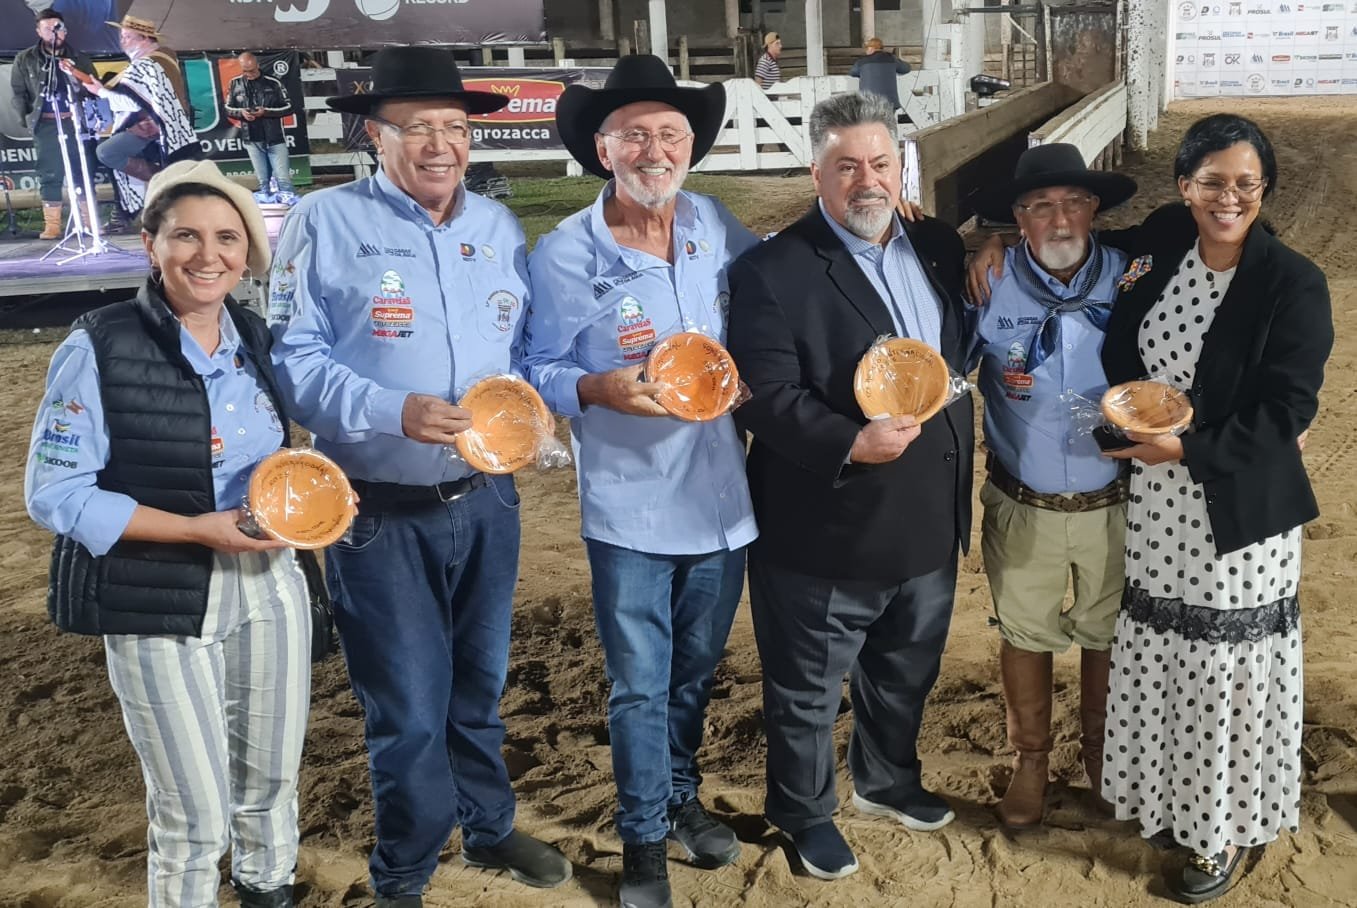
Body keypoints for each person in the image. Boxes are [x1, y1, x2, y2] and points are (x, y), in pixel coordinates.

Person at [970, 115, 1331, 904]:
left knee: (1222, 671)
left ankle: (1222, 828)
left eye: (1243, 182)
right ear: (1183, 188)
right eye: (1209, 182)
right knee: (1157, 659)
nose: (1225, 197)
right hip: (1156, 512)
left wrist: (1192, 451)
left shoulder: (1291, 281)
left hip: (1223, 505)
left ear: (1264, 188)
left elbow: (1288, 407)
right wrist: (987, 244)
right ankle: (1156, 797)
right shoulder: (1159, 251)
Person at [267, 46, 571, 906]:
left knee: (479, 685)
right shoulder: (323, 222)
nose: (441, 143)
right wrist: (385, 410)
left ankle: (487, 825)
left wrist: (540, 410)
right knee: (404, 706)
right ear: (375, 134)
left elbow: (523, 356)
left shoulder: (497, 230)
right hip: (377, 510)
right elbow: (290, 358)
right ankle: (402, 871)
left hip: (487, 499)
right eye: (418, 127)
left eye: (455, 126)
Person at [24, 159, 312, 908]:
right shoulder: (98, 345)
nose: (207, 255)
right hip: (158, 598)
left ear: (248, 253)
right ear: (150, 244)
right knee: (194, 816)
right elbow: (55, 494)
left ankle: (268, 890)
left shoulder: (256, 338)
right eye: (185, 235)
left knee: (271, 785)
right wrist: (194, 529)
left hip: (269, 586)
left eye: (226, 238)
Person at [523, 54, 756, 908]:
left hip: (722, 497)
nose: (653, 149)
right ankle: (643, 842)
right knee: (638, 686)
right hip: (629, 503)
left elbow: (780, 293)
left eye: (669, 133)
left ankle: (680, 797)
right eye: (633, 135)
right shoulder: (563, 255)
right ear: (602, 146)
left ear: (689, 145)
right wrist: (593, 388)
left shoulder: (714, 225)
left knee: (694, 673)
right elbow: (534, 365)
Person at [724, 92, 973, 881]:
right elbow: (764, 394)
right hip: (824, 523)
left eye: (879, 163)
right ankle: (802, 813)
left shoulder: (934, 243)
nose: (866, 181)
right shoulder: (771, 269)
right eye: (846, 167)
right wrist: (849, 441)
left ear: (900, 166)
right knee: (805, 689)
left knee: (905, 667)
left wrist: (996, 237)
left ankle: (886, 779)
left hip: (927, 514)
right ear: (817, 173)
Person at [966, 143, 1136, 829]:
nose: (1058, 220)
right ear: (1017, 218)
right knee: (1024, 632)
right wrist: (977, 243)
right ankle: (1030, 761)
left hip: (1115, 502)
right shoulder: (983, 281)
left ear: (1094, 210)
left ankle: (1102, 757)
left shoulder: (1130, 277)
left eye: (1071, 203)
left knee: (1108, 634)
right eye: (1039, 207)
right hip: (1023, 502)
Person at [62, 14, 198, 218]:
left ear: (144, 38)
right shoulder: (165, 57)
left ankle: (164, 182)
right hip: (171, 124)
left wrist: (100, 92)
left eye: (128, 36)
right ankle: (154, 197)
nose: (123, 41)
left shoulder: (144, 65)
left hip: (152, 125)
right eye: (122, 36)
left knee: (107, 152)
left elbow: (132, 103)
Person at [10, 8, 100, 239]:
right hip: (46, 124)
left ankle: (89, 222)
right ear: (39, 31)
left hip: (75, 122)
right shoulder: (26, 59)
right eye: (49, 29)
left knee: (81, 171)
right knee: (50, 173)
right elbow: (19, 93)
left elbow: (94, 88)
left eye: (58, 28)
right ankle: (52, 226)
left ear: (66, 31)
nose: (54, 33)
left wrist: (74, 74)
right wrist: (27, 119)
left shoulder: (79, 58)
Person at [225, 52, 295, 194]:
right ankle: (267, 214)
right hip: (251, 139)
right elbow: (227, 108)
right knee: (263, 183)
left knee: (283, 181)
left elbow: (290, 107)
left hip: (274, 138)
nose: (249, 74)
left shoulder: (274, 82)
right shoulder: (235, 83)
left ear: (258, 65)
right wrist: (241, 113)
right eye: (245, 71)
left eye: (252, 71)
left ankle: (292, 212)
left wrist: (266, 112)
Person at [849, 38, 910, 112]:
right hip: (889, 102)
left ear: (871, 48)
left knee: (871, 122)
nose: (866, 51)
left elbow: (852, 72)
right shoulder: (891, 59)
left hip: (868, 103)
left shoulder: (862, 61)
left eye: (867, 48)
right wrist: (898, 59)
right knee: (888, 123)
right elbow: (906, 69)